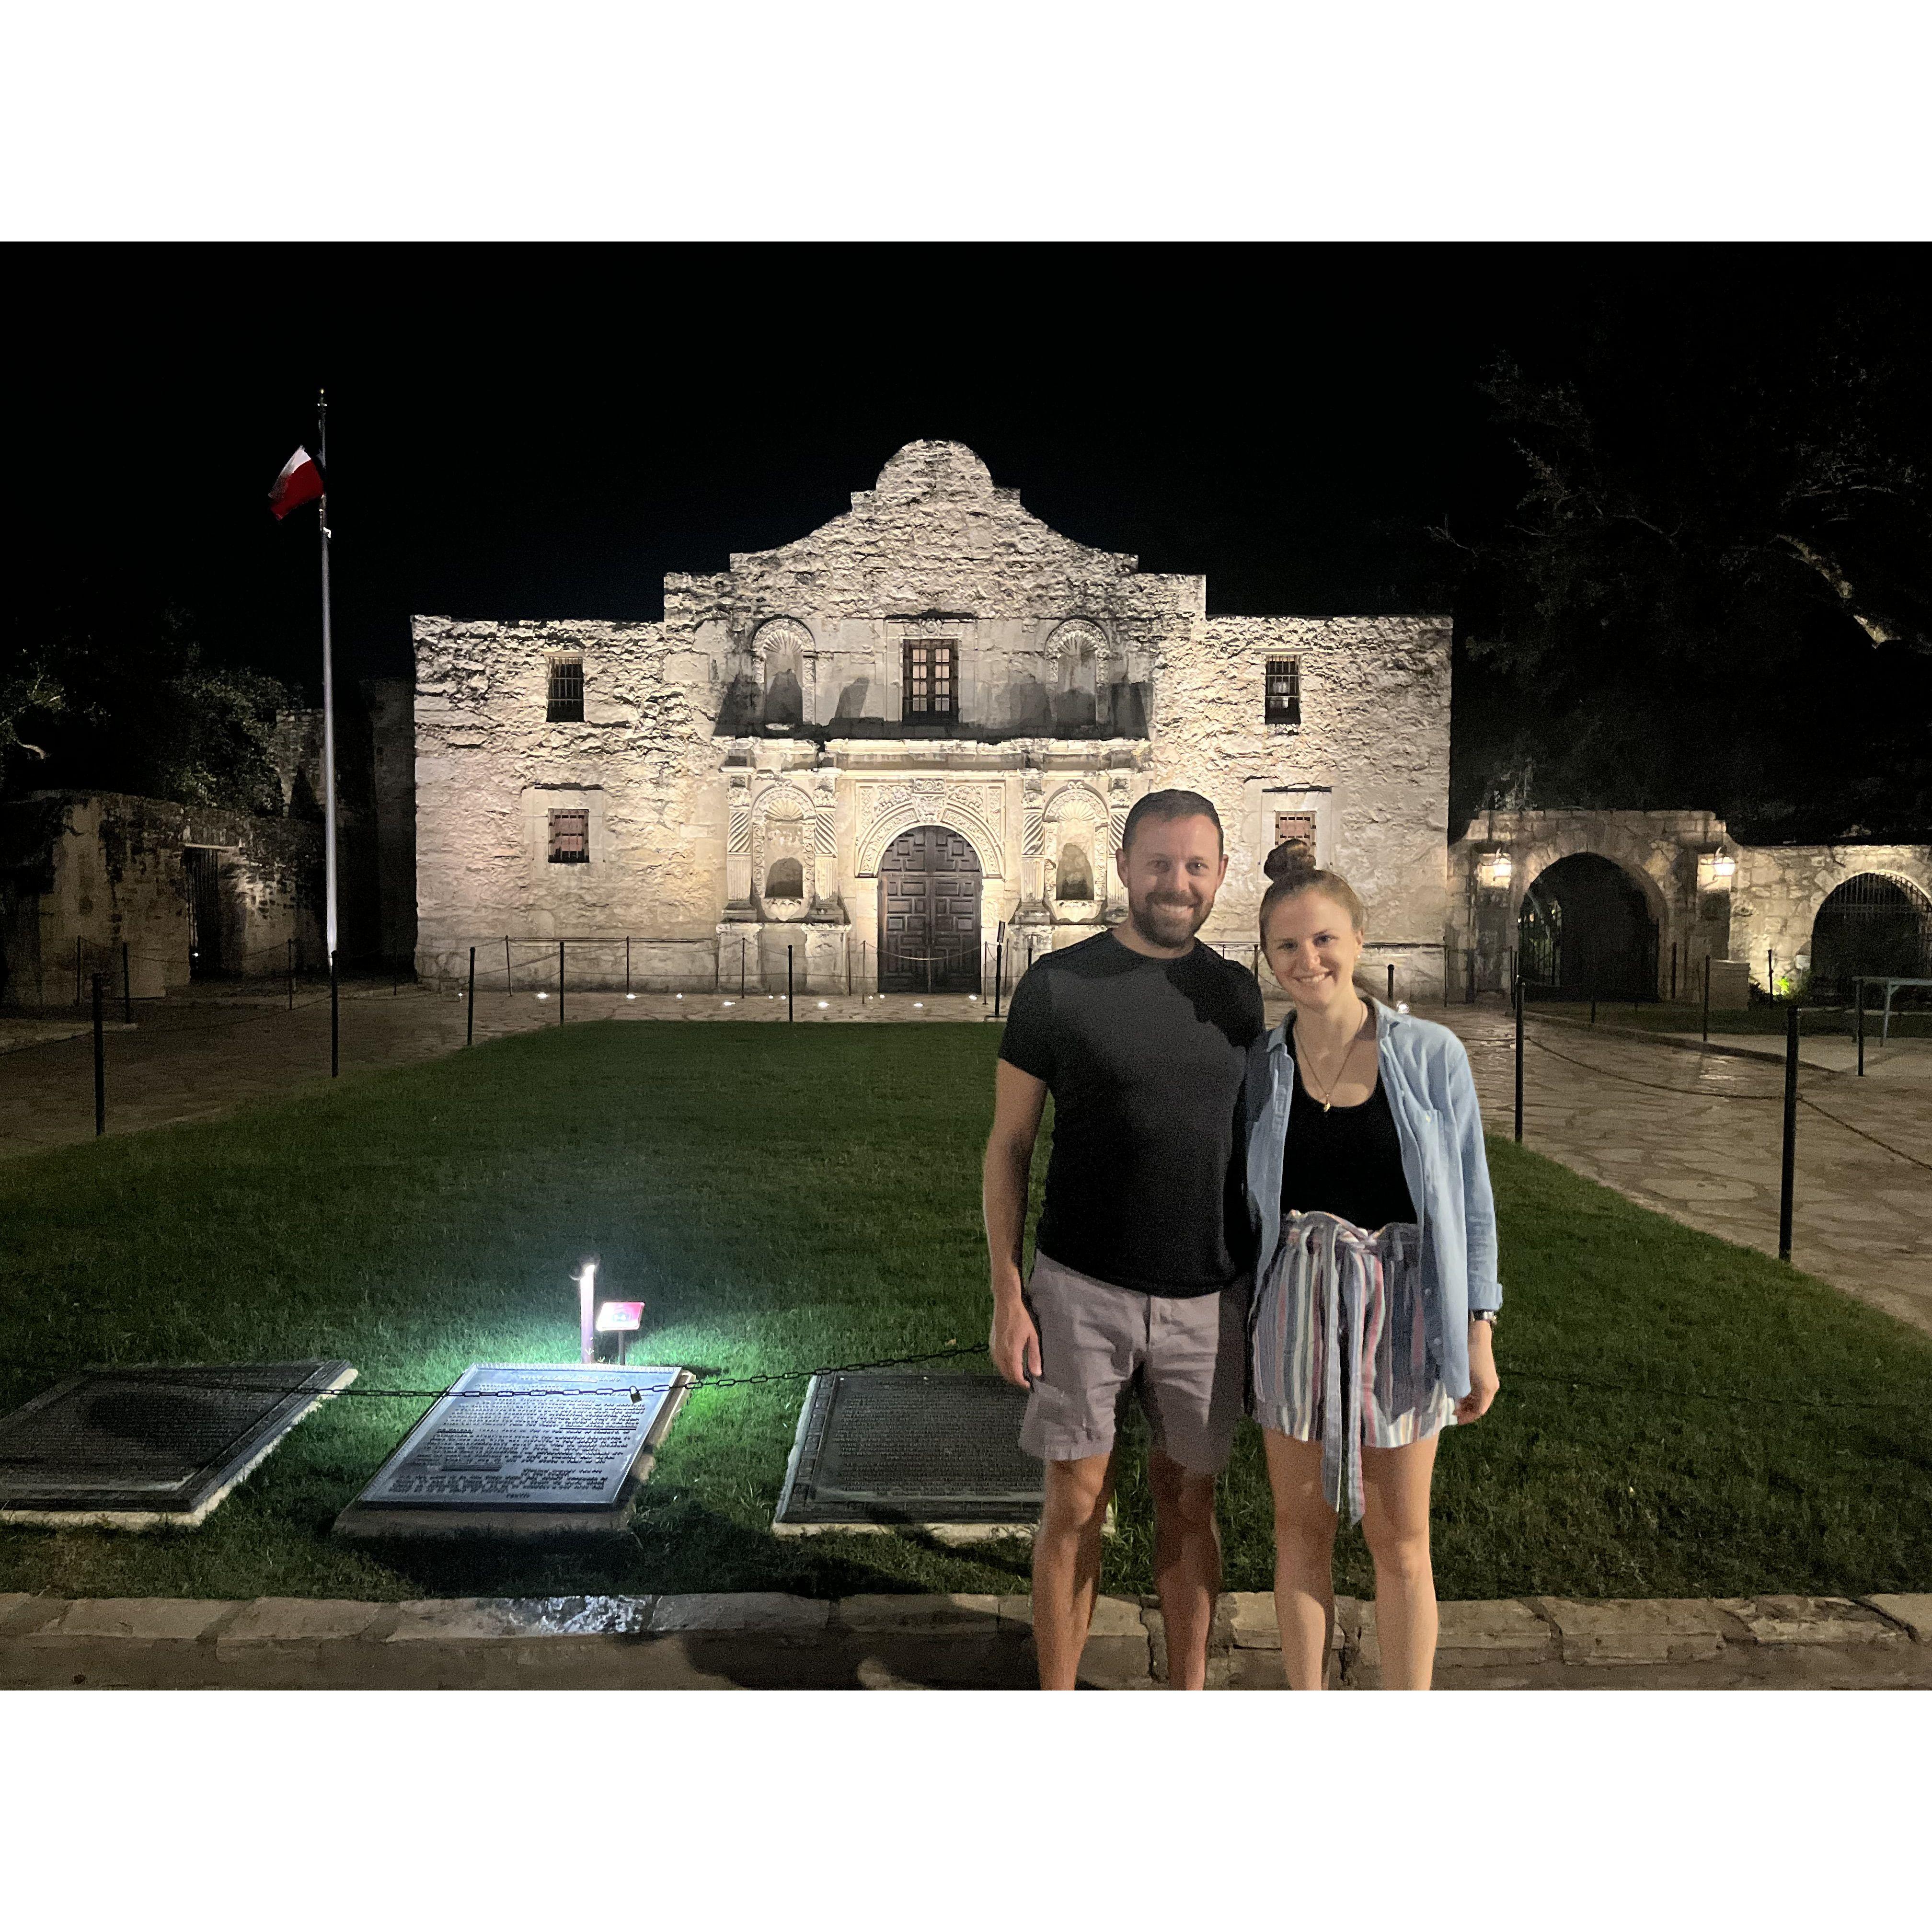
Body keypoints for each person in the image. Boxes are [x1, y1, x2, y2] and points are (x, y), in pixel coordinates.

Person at [984, 789, 1265, 1690]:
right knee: (1074, 1504)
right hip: (1081, 1291)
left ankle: (1187, 1695)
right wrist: (1007, 1293)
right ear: (1123, 868)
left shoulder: (1238, 994)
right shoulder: (1056, 986)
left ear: (1220, 874)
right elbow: (1010, 1145)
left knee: (1189, 1502)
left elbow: (1258, 1149)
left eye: (1196, 866)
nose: (1177, 883)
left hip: (1207, 1298)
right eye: (1159, 864)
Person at [1245, 849, 1501, 1690]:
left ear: (1358, 940)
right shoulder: (1261, 1067)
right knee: (1300, 1531)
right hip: (1295, 1305)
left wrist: (1479, 1328)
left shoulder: (1430, 1055)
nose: (1307, 960)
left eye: (1324, 939)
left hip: (1403, 1309)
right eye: (1286, 946)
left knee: (1401, 1539)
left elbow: (1470, 1200)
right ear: (1267, 958)